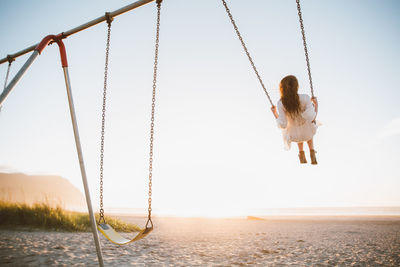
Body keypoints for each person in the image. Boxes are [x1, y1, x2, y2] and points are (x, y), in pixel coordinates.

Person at [271, 75, 318, 164]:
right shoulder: (305, 98)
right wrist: (316, 104)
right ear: (296, 86)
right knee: (308, 128)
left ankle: (301, 153)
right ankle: (312, 151)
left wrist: (275, 113)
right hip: (308, 132)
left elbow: (283, 124)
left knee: (296, 130)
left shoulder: (281, 103)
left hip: (294, 135)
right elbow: (312, 117)